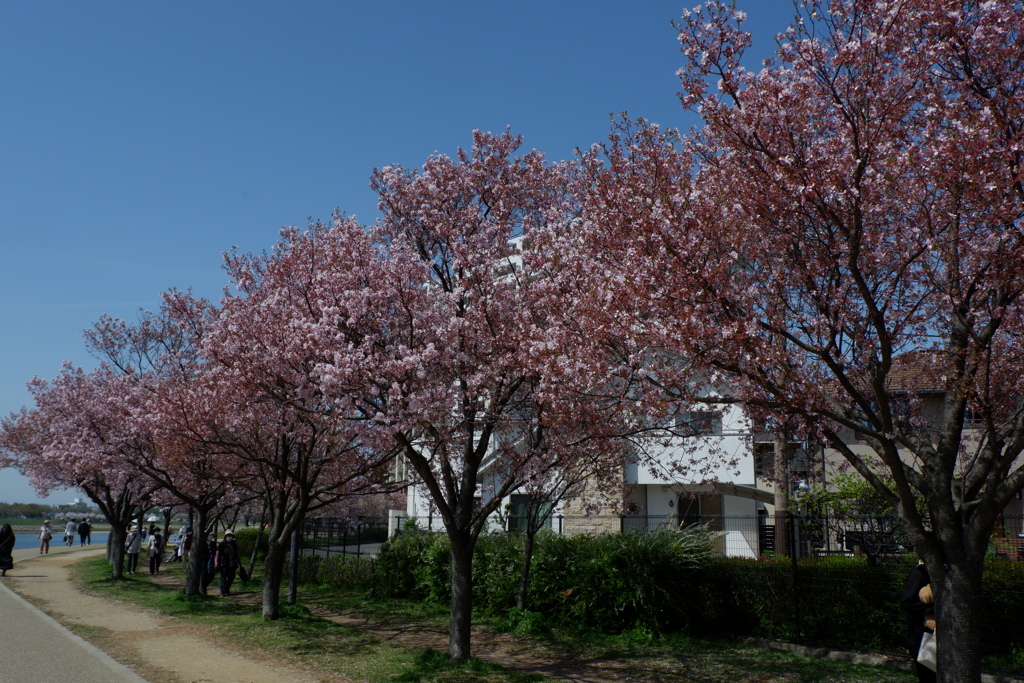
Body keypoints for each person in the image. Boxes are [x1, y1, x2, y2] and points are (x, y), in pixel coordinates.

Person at [900, 559, 937, 683]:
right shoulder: (919, 574)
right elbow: (906, 602)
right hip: (922, 634)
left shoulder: (942, 573)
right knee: (929, 674)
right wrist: (932, 610)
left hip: (938, 634)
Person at [215, 531, 240, 597]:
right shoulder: (222, 544)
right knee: (223, 577)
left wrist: (239, 562)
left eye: (230, 536)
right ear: (225, 536)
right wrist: (217, 562)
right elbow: (218, 554)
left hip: (232, 563)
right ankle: (222, 592)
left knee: (231, 576)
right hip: (224, 563)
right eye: (228, 535)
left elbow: (236, 553)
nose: (229, 537)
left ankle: (227, 589)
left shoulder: (234, 544)